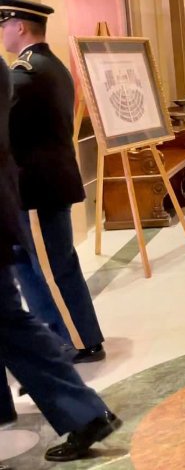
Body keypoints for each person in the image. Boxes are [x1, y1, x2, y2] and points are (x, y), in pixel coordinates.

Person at [0, 55, 121, 465]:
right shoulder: (23, 69)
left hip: (32, 192)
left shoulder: (25, 72)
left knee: (17, 316)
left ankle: (83, 409)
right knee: (13, 319)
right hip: (23, 197)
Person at [0, 0, 106, 363]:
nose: (1, 33)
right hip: (42, 185)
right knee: (35, 269)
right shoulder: (49, 65)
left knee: (51, 270)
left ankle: (78, 341)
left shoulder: (28, 73)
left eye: (3, 25)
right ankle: (57, 340)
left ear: (20, 27)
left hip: (36, 188)